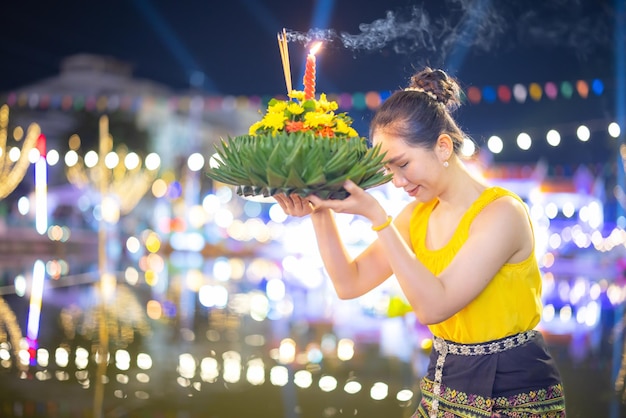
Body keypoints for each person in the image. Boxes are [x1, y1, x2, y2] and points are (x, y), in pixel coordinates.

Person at [274, 67, 566, 417]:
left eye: (403, 165)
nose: (397, 182)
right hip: (443, 383)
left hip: (512, 391)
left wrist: (379, 219)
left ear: (443, 146)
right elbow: (348, 283)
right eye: (389, 171)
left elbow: (434, 307)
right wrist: (318, 208)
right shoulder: (418, 215)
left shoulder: (501, 213)